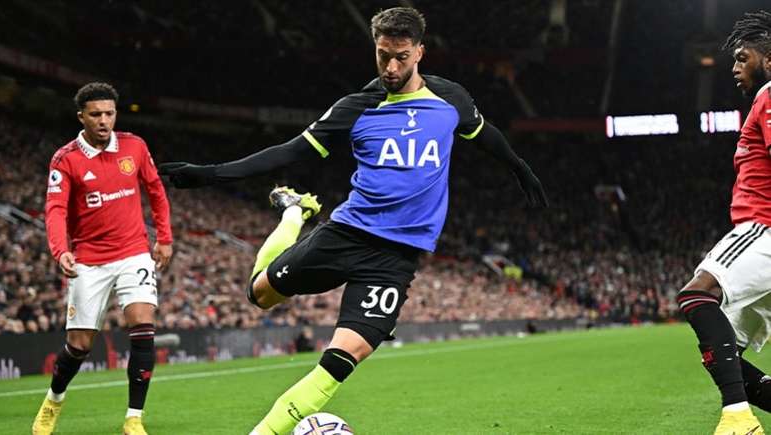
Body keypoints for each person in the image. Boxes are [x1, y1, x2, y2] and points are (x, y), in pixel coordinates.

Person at [159, 7, 547, 434]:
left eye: (401, 56)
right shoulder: (356, 107)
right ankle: (293, 214)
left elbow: (484, 132)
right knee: (260, 295)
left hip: (397, 258)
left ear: (420, 51)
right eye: (383, 56)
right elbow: (288, 152)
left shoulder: (450, 100)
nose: (392, 67)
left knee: (344, 358)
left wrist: (519, 167)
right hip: (346, 234)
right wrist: (212, 173)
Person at [32, 82, 173, 435]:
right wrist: (60, 249)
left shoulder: (134, 146)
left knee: (142, 325)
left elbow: (156, 190)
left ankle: (133, 418)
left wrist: (165, 238)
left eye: (109, 113)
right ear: (81, 117)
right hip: (90, 259)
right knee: (79, 345)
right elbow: (55, 209)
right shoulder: (66, 159)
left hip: (133, 252)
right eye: (96, 114)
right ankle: (54, 399)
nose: (104, 120)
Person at [677, 10, 771, 435]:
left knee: (697, 295)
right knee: (719, 349)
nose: (735, 68)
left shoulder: (769, 95)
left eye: (742, 57)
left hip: (763, 228)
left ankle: (737, 418)